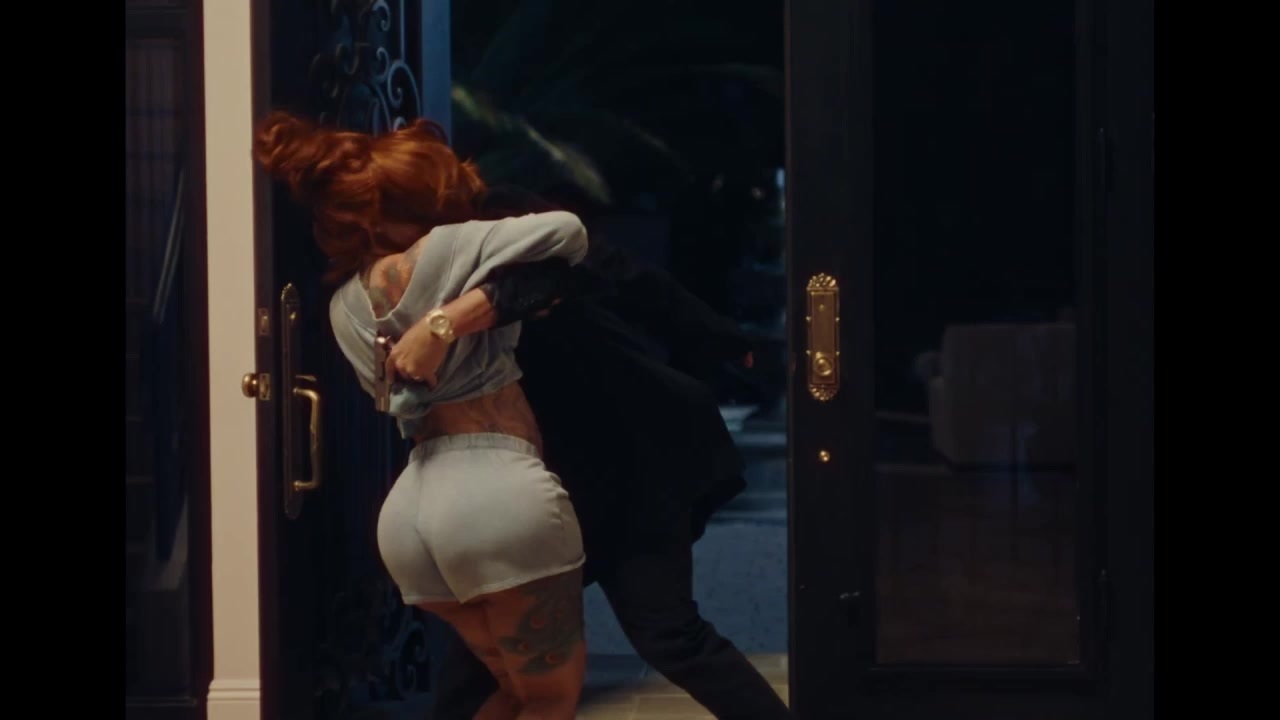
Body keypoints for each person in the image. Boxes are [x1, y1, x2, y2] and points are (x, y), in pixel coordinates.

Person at [390, 185, 795, 719]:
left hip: (630, 456)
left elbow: (619, 274)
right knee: (486, 646)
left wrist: (721, 338)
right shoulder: (400, 272)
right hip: (543, 476)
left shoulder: (504, 229)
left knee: (669, 634)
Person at [254, 113, 594, 719]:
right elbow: (567, 233)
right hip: (497, 497)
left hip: (410, 515)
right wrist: (445, 322)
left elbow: (396, 399)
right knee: (551, 700)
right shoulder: (454, 245)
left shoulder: (343, 308)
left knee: (516, 694)